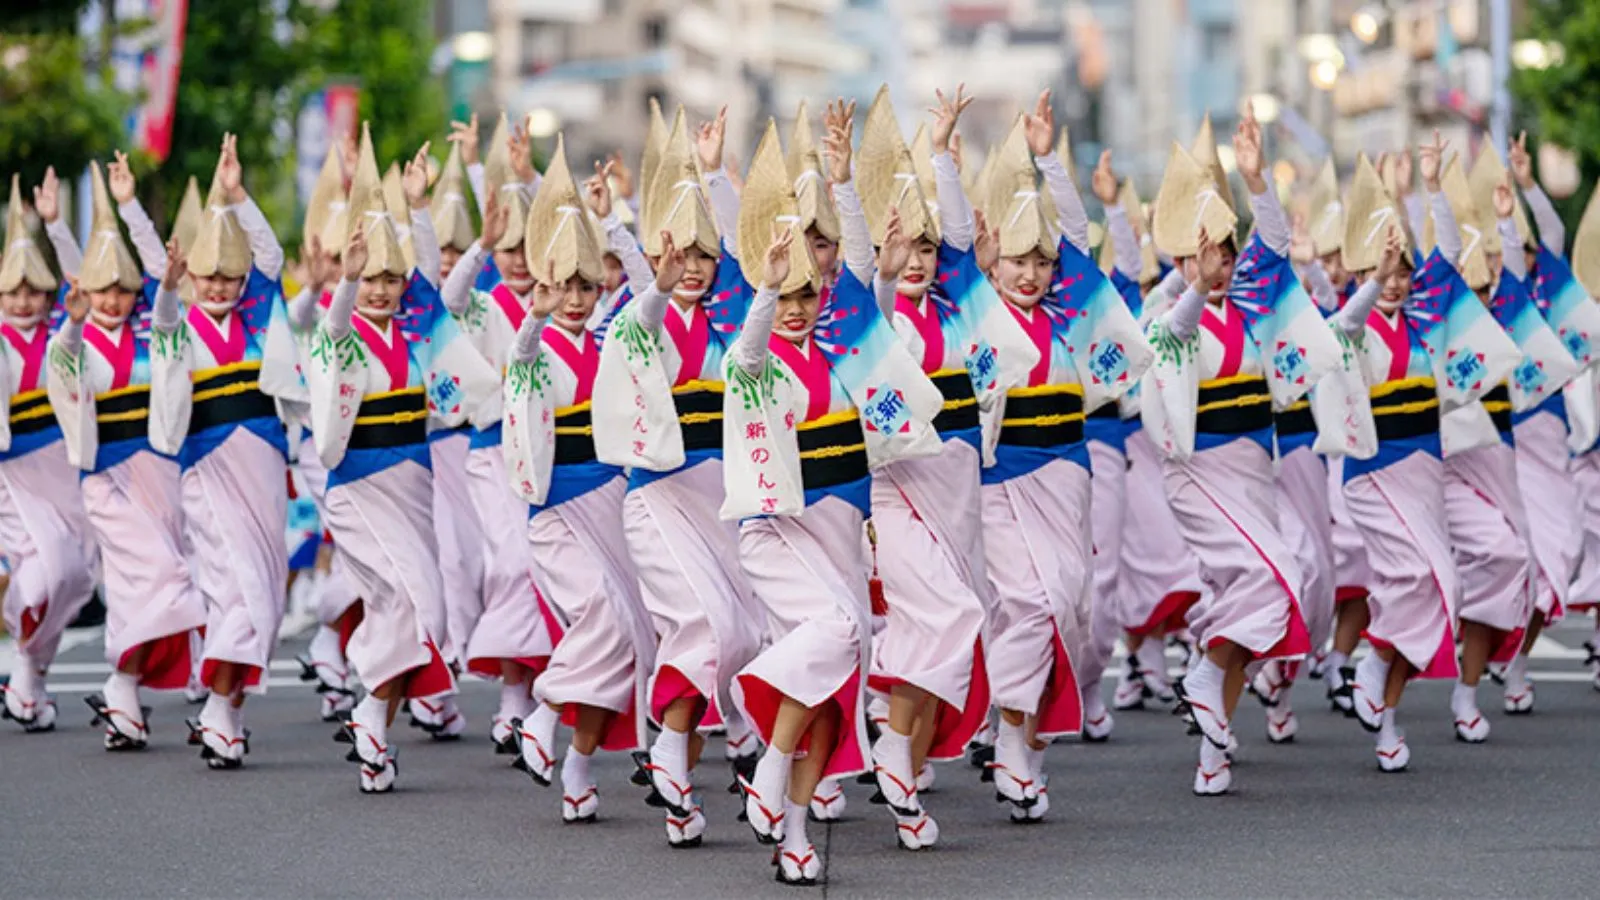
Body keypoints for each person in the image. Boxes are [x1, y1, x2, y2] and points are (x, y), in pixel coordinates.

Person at [724, 118, 940, 883]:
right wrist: (763, 287)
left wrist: (846, 187)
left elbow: (865, 289)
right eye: (785, 295)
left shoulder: (847, 351)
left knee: (835, 687)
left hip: (843, 528)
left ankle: (792, 834)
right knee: (842, 630)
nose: (798, 305)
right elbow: (749, 346)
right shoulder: (753, 359)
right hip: (781, 531)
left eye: (809, 295)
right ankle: (770, 767)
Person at [845, 85, 1017, 839]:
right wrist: (877, 256)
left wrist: (947, 153)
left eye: (925, 248)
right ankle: (888, 741)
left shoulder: (957, 308)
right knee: (944, 616)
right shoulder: (875, 313)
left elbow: (958, 234)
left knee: (947, 625)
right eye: (904, 246)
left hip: (959, 488)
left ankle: (902, 769)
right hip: (898, 493)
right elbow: (871, 285)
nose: (916, 258)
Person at [589, 105, 762, 847]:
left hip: (722, 495)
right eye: (679, 253)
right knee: (708, 626)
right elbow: (640, 316)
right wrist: (640, 263)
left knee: (741, 636)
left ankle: (679, 784)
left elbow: (753, 259)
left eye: (703, 255)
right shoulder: (637, 317)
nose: (692, 266)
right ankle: (665, 743)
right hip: (659, 496)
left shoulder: (728, 321)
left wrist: (717, 171)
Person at [1142, 106, 1327, 794]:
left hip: (1255, 468)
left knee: (1268, 595)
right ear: (1184, 257)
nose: (1221, 262)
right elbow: (1176, 332)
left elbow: (1274, 245)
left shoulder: (1251, 305)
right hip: (1199, 475)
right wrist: (1192, 284)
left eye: (1226, 250)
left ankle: (1213, 742)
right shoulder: (1169, 320)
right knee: (1269, 579)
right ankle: (1203, 678)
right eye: (1207, 253)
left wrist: (1256, 179)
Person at [305, 125, 493, 792]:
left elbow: (433, 282)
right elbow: (328, 332)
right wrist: (349, 282)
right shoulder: (342, 332)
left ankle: (372, 718)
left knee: (425, 609)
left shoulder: (417, 331)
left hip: (412, 482)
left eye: (391, 278)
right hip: (356, 486)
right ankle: (367, 703)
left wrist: (416, 207)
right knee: (405, 596)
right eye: (372, 278)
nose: (382, 290)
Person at [976, 110, 1150, 820]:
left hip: (1067, 473)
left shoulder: (1070, 311)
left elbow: (1079, 240)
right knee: (1033, 604)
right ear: (994, 262)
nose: (1031, 272)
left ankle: (1030, 743)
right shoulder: (977, 311)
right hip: (1000, 479)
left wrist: (1051, 166)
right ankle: (1010, 737)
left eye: (1041, 261)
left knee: (1071, 614)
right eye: (1018, 260)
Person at [1332, 137, 1517, 771]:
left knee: (1436, 587)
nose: (1396, 282)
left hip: (1424, 471)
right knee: (1421, 579)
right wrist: (1375, 278)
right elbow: (1349, 326)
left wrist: (1433, 187)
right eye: (1383, 273)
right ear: (1358, 276)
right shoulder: (1349, 328)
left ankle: (1382, 703)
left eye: (1403, 274)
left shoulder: (1424, 320)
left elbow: (1447, 257)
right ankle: (1375, 659)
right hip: (1374, 477)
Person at [502, 137, 656, 824]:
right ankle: (539, 715)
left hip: (615, 501)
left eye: (584, 286)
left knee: (633, 636)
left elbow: (653, 291)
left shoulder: (614, 336)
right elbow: (521, 355)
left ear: (601, 286)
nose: (572, 298)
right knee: (604, 615)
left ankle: (579, 762)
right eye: (560, 285)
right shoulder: (533, 346)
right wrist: (533, 316)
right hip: (558, 512)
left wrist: (615, 219)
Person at [46, 157, 206, 751]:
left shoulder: (152, 328)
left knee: (138, 585)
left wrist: (132, 207)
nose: (112, 298)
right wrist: (60, 233)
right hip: (104, 476)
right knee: (162, 573)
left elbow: (167, 288)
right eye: (102, 288)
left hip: (157, 467)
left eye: (122, 288)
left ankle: (123, 697)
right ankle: (123, 685)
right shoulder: (77, 337)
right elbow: (61, 368)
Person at [148, 135, 294, 768]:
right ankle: (216, 703)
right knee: (234, 584)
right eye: (208, 275)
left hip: (262, 459)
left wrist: (238, 197)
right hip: (208, 466)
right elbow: (161, 324)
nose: (218, 285)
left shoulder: (259, 314)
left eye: (227, 275)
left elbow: (272, 254)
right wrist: (170, 288)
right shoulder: (180, 324)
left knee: (267, 590)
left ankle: (226, 712)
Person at [434, 116, 563, 753]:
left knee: (551, 572)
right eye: (505, 249)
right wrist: (481, 246)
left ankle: (546, 692)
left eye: (522, 245)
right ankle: (516, 695)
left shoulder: (560, 303)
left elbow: (561, 226)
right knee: (511, 565)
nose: (516, 258)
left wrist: (527, 176)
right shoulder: (482, 303)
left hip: (554, 454)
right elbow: (446, 306)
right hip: (490, 454)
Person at [0, 172, 98, 733]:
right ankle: (24, 661)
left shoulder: (64, 325)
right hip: (13, 476)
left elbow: (84, 281)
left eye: (33, 291)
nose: (23, 301)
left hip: (65, 465)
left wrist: (57, 224)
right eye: (13, 291)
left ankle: (31, 677)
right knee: (43, 575)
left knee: (71, 575)